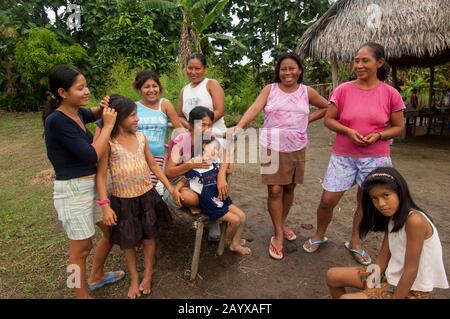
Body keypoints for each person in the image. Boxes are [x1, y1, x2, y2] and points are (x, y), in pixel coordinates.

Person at [302, 43, 405, 266]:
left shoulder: (390, 94)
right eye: (356, 60)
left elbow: (399, 127)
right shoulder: (343, 90)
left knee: (365, 201)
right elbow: (329, 119)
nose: (358, 65)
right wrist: (348, 131)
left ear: (379, 63)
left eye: (364, 60)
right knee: (328, 199)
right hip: (343, 155)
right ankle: (320, 234)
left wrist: (379, 136)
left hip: (376, 157)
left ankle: (355, 241)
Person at [232, 52, 329, 260]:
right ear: (278, 71)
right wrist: (240, 126)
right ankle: (277, 233)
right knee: (275, 190)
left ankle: (281, 224)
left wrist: (307, 121)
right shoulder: (270, 89)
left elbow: (327, 107)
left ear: (300, 70)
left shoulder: (307, 92)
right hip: (271, 146)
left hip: (296, 147)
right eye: (283, 69)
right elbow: (255, 108)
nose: (288, 72)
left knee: (289, 187)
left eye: (292, 68)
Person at [43, 64, 124, 299]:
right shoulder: (56, 121)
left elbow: (95, 112)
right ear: (62, 93)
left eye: (86, 86)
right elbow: (91, 155)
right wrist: (108, 126)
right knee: (79, 249)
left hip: (91, 188)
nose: (86, 91)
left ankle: (96, 275)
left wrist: (105, 107)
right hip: (72, 191)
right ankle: (79, 292)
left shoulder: (76, 113)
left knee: (109, 233)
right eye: (80, 88)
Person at [96, 94, 181, 299]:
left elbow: (153, 165)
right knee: (129, 241)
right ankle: (134, 277)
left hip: (147, 197)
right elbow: (101, 175)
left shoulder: (141, 138)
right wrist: (105, 205)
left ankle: (148, 273)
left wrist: (170, 187)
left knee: (150, 236)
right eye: (132, 116)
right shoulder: (109, 143)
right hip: (123, 201)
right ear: (119, 118)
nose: (137, 119)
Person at [326, 167, 449, 299]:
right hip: (390, 275)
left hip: (412, 289)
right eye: (374, 198)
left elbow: (411, 270)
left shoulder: (415, 221)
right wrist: (370, 288)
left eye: (386, 195)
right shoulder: (392, 216)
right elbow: (382, 258)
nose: (381, 204)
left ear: (400, 192)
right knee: (332, 275)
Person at [177, 54, 227, 241]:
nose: (193, 72)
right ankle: (201, 203)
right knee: (197, 173)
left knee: (216, 175)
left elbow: (220, 109)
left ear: (204, 68)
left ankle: (215, 218)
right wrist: (190, 127)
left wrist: (204, 128)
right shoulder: (184, 90)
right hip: (194, 136)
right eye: (190, 68)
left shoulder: (211, 84)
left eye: (197, 68)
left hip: (214, 135)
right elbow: (179, 114)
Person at [175, 136, 251, 255]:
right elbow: (183, 180)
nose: (217, 151)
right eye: (215, 148)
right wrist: (176, 190)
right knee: (235, 220)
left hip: (220, 198)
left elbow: (230, 169)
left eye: (218, 149)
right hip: (210, 203)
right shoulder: (196, 164)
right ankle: (226, 240)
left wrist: (227, 153)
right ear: (204, 146)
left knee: (242, 216)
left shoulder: (215, 162)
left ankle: (234, 244)